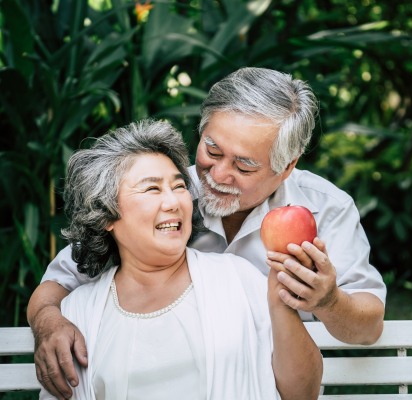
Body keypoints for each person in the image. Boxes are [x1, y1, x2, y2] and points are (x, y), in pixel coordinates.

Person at [28, 68, 386, 399]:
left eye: (244, 165)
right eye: (211, 149)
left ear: (287, 166)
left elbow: (367, 327)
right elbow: (61, 281)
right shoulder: (171, 194)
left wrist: (328, 301)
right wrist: (48, 321)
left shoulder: (326, 209)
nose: (217, 174)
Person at [39, 120, 323, 400]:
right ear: (106, 215)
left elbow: (303, 394)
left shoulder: (239, 278)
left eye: (178, 187)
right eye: (152, 189)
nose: (174, 202)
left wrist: (280, 303)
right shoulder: (78, 312)